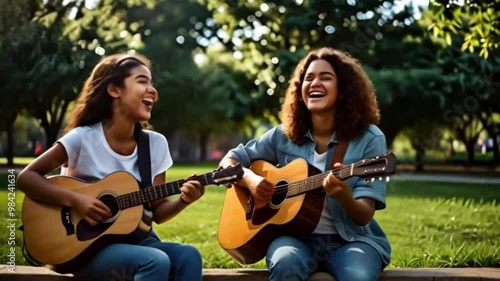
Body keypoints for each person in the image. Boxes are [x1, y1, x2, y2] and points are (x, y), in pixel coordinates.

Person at [17, 53, 205, 281]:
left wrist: (183, 201)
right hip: (84, 248)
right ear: (114, 90)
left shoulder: (155, 144)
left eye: (152, 83)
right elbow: (27, 178)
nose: (153, 90)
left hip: (138, 240)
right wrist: (78, 201)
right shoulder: (82, 139)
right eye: (142, 81)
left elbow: (156, 212)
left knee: (189, 256)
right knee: (156, 261)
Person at [218, 47, 391, 281]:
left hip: (351, 241)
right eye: (308, 78)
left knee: (358, 277)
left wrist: (343, 197)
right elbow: (229, 161)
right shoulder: (283, 135)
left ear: (343, 90)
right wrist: (251, 179)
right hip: (293, 239)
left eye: (326, 77)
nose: (315, 83)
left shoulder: (370, 138)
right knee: (284, 264)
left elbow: (363, 216)